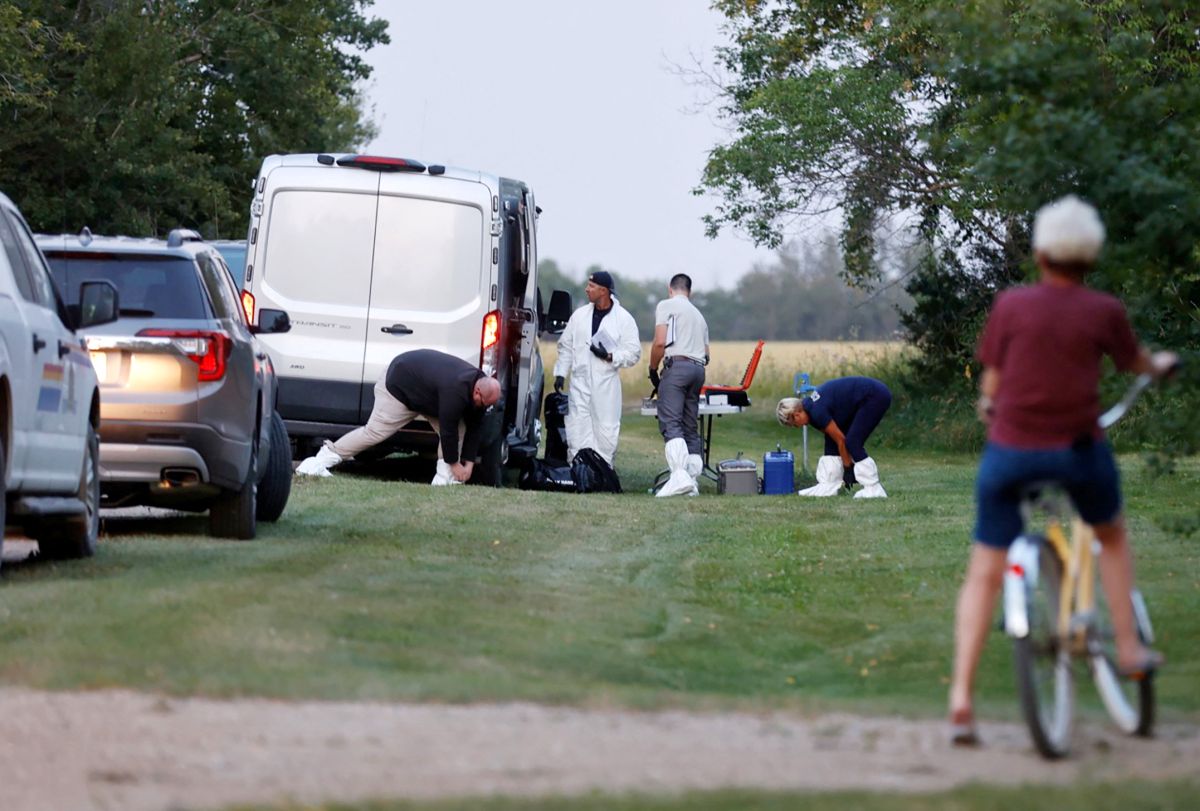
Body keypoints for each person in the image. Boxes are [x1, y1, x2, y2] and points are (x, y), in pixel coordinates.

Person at [948, 195, 1177, 746]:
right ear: (1090, 255)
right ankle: (1127, 646)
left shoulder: (1010, 306)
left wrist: (990, 407)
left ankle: (961, 696)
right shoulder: (1103, 311)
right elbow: (1137, 362)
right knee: (1112, 535)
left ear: (1041, 252)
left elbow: (993, 385)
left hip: (1010, 453)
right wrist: (1160, 365)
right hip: (1078, 451)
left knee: (985, 569)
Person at [296, 349, 501, 484]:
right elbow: (447, 430)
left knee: (460, 429)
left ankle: (444, 481)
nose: (484, 408)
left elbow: (475, 427)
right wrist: (457, 465)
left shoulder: (482, 393)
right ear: (477, 393)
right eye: (483, 404)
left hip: (427, 395)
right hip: (398, 386)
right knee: (374, 432)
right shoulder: (455, 390)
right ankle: (319, 461)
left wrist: (469, 465)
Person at [552, 270, 641, 466]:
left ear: (604, 291)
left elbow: (634, 352)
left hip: (606, 385)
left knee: (606, 430)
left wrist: (610, 356)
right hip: (580, 383)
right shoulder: (579, 316)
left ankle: (602, 472)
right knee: (577, 428)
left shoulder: (623, 319)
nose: (586, 289)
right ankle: (578, 471)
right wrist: (560, 373)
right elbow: (565, 346)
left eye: (591, 286)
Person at [776, 377, 891, 498]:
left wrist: (848, 468)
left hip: (874, 396)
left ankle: (873, 488)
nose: (797, 427)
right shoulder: (810, 409)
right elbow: (833, 438)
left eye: (794, 424)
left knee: (853, 442)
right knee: (831, 443)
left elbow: (841, 440)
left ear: (796, 414)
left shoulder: (816, 411)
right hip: (862, 399)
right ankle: (829, 485)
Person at [649, 273, 710, 497]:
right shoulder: (699, 315)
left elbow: (660, 342)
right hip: (698, 370)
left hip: (678, 368)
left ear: (670, 289)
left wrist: (652, 368)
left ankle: (678, 477)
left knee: (671, 423)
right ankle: (692, 481)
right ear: (689, 291)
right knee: (689, 425)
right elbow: (707, 354)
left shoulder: (666, 305)